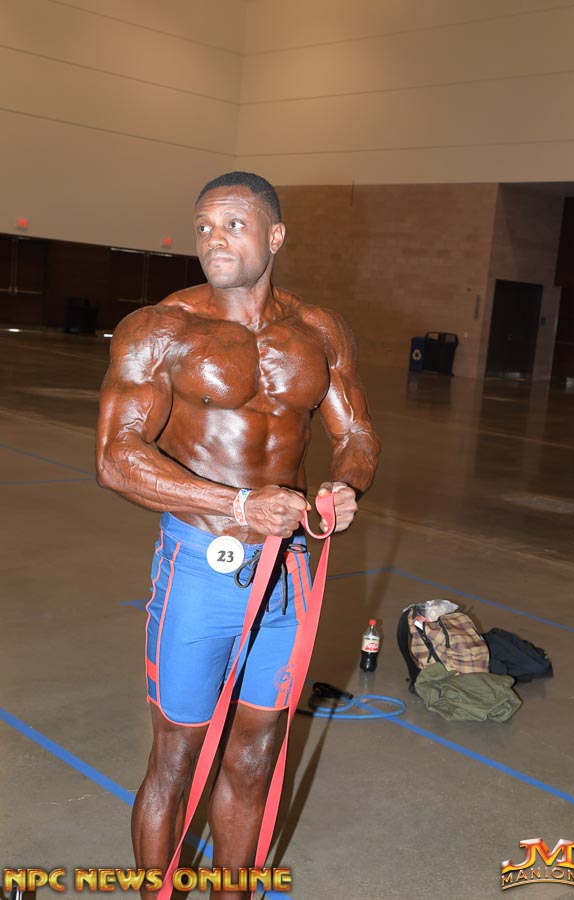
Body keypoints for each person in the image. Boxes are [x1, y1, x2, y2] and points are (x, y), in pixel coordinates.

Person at [96, 171, 380, 898]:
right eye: (203, 227)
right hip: (199, 566)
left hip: (288, 571)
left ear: (275, 236)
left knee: (254, 757)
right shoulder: (160, 328)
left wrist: (345, 486)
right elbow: (117, 458)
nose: (213, 240)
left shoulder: (319, 330)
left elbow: (356, 436)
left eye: (232, 225)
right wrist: (239, 504)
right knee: (175, 759)